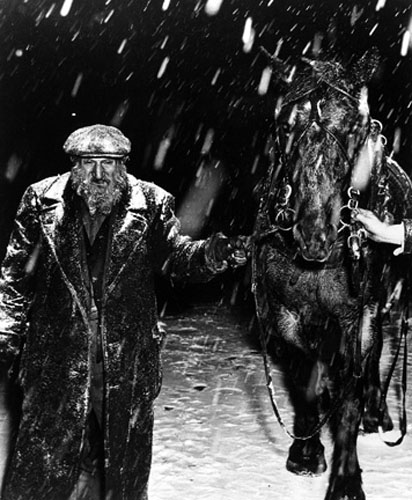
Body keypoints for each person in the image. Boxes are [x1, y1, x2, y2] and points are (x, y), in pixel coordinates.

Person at [0, 124, 247, 500]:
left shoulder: (150, 203)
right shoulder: (39, 200)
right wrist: (7, 333)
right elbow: (15, 274)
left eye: (108, 163)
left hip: (124, 359)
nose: (98, 173)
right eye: (88, 162)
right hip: (56, 356)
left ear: (123, 165)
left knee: (119, 467)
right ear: (73, 164)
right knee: (49, 464)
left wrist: (215, 253)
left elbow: (177, 258)